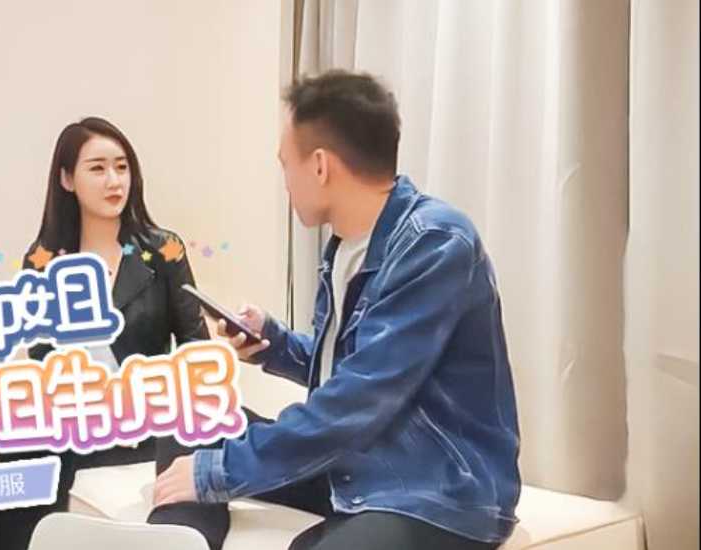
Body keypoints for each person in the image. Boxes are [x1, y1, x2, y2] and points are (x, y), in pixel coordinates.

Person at [154, 70, 522, 550]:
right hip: (357, 457)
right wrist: (273, 344)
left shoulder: (434, 242)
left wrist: (217, 472)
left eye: (285, 164)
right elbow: (357, 366)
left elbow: (359, 398)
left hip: (433, 488)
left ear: (320, 166)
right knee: (190, 418)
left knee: (217, 468)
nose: (285, 183)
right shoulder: (347, 247)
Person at [0, 117, 229, 550]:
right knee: (15, 455)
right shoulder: (44, 260)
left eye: (121, 166)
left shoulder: (163, 250)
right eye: (97, 168)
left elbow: (196, 349)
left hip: (148, 418)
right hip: (79, 420)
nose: (114, 181)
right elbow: (42, 359)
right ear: (67, 179)